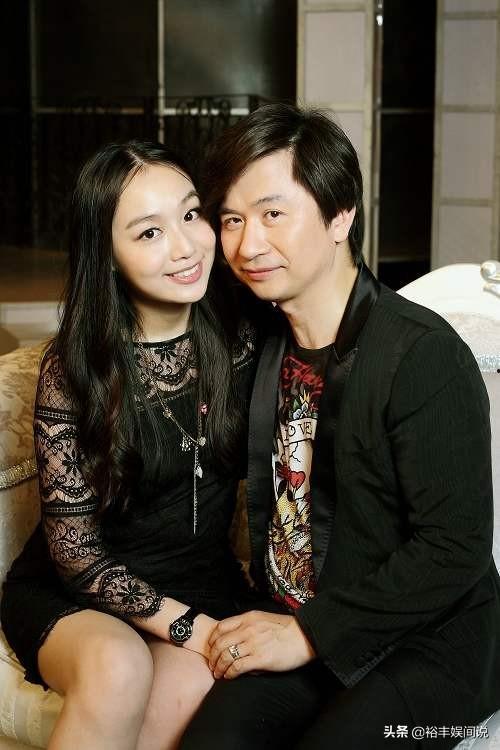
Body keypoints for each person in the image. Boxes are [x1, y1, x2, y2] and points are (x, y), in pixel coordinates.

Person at [179, 103, 500, 750]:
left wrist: (308, 633)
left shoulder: (421, 354)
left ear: (340, 215)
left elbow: (454, 549)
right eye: (232, 220)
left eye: (273, 214)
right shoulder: (258, 340)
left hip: (429, 644)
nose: (248, 245)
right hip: (301, 623)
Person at [1, 140, 257, 750]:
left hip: (202, 581)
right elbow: (77, 557)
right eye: (148, 233)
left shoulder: (243, 336)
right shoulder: (76, 368)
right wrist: (190, 627)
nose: (185, 246)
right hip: (79, 592)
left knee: (191, 686)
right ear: (108, 256)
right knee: (119, 667)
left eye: (191, 214)